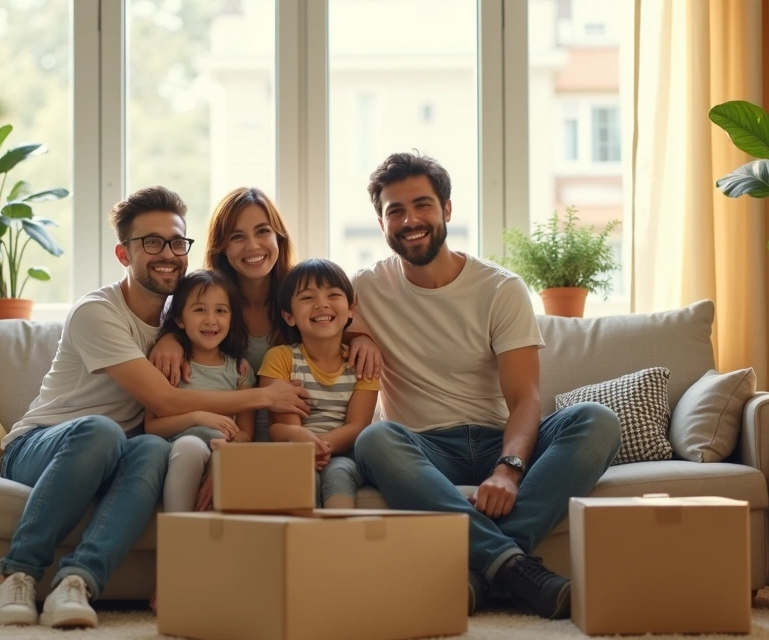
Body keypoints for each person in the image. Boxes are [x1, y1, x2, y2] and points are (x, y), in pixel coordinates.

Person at [0, 186, 309, 629]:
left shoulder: (182, 316)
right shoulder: (97, 312)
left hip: (121, 452)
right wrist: (263, 396)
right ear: (123, 253)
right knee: (101, 430)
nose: (167, 254)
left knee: (152, 450)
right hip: (42, 446)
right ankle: (15, 574)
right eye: (151, 243)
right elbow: (165, 400)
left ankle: (76, 582)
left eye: (176, 242)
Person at [350, 153, 622, 620]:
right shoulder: (364, 289)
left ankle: (489, 570)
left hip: (500, 438)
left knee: (596, 419)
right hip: (424, 447)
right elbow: (309, 317)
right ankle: (516, 569)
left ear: (447, 210)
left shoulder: (500, 288)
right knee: (375, 439)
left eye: (423, 205)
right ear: (381, 223)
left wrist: (508, 470)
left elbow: (525, 398)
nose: (410, 220)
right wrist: (355, 332)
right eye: (396, 210)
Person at [149, 187, 382, 441]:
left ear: (278, 238)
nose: (252, 245)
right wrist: (171, 337)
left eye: (262, 231)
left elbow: (334, 326)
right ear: (222, 247)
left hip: (291, 442)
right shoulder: (209, 304)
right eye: (237, 237)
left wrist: (362, 339)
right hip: (224, 440)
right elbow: (183, 325)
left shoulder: (301, 294)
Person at [259, 259, 379, 508]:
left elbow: (358, 425)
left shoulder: (362, 362)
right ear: (289, 316)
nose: (322, 304)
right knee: (301, 473)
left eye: (333, 294)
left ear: (350, 309)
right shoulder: (280, 358)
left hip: (345, 453)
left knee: (339, 473)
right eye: (307, 298)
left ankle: (338, 539)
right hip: (295, 449)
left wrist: (320, 448)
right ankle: (303, 541)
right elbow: (281, 427)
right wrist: (304, 447)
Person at [146, 269, 256, 514]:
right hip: (177, 450)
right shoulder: (171, 364)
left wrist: (225, 454)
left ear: (231, 318)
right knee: (190, 447)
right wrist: (198, 417)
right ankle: (180, 536)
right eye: (199, 310)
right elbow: (151, 427)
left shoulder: (239, 369)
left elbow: (246, 433)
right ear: (180, 319)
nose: (210, 320)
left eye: (221, 310)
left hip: (223, 449)